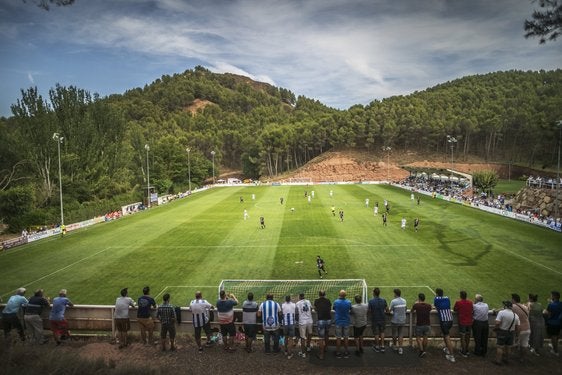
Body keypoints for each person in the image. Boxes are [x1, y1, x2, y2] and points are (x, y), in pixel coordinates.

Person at [493, 300, 520, 365]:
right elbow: (518, 327)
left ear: (505, 306)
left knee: (500, 346)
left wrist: (495, 329)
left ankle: (498, 361)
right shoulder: (515, 315)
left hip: (502, 331)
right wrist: (516, 335)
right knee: (508, 347)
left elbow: (497, 323)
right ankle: (506, 360)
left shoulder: (501, 312)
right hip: (511, 333)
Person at [434, 288, 455, 363]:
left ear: (436, 293)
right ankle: (447, 349)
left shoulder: (436, 298)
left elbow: (436, 307)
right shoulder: (447, 298)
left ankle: (452, 356)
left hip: (444, 321)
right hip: (450, 320)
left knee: (447, 337)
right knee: (445, 335)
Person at [453, 290, 473, 357]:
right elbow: (472, 310)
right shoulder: (470, 302)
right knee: (467, 336)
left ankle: (463, 351)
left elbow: (455, 309)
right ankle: (467, 350)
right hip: (469, 322)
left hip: (462, 322)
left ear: (461, 296)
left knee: (462, 336)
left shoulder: (458, 302)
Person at [411, 293, 432, 357]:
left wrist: (416, 303)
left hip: (419, 324)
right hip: (427, 324)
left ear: (419, 298)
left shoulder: (416, 305)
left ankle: (421, 350)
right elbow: (430, 309)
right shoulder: (428, 305)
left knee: (418, 337)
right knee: (425, 337)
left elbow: (411, 311)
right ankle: (424, 350)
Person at [368, 287, 388, 352]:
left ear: (374, 293)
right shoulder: (383, 300)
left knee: (376, 333)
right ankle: (382, 346)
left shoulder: (371, 301)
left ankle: (377, 346)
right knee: (382, 332)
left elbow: (369, 311)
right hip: (382, 319)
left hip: (375, 319)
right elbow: (387, 310)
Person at [333, 290, 352, 358]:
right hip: (346, 322)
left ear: (339, 295)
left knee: (338, 338)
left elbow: (334, 309)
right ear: (345, 295)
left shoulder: (336, 302)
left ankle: (338, 352)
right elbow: (350, 309)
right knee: (346, 338)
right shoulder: (349, 302)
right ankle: (346, 352)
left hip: (338, 322)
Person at [511, 293, 530, 360]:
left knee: (513, 342)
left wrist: (493, 311)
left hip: (519, 329)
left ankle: (511, 356)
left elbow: (504, 310)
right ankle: (522, 358)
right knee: (524, 345)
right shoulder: (524, 307)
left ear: (513, 300)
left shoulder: (513, 306)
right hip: (527, 328)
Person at [313, 290, 332, 359]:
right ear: (325, 294)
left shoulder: (316, 301)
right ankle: (326, 348)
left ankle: (321, 355)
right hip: (328, 320)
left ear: (319, 295)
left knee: (321, 338)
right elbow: (330, 309)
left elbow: (315, 309)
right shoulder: (328, 300)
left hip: (321, 321)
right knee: (327, 334)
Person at [295, 292, 313, 357]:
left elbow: (296, 313)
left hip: (302, 322)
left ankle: (303, 353)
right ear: (304, 296)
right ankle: (308, 347)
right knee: (310, 334)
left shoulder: (297, 303)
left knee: (302, 337)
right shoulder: (308, 301)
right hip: (309, 321)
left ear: (299, 297)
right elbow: (311, 309)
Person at [389, 288, 407, 355]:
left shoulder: (393, 301)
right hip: (402, 320)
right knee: (400, 334)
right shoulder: (404, 300)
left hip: (395, 320)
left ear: (395, 294)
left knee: (394, 334)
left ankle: (394, 346)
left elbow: (390, 310)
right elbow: (405, 309)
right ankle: (400, 348)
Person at [544, 290, 561, 357]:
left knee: (553, 336)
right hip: (559, 322)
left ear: (554, 296)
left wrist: (547, 307)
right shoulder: (561, 303)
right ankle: (553, 344)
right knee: (556, 335)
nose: (550, 296)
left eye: (551, 295)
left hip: (552, 323)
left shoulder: (551, 305)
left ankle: (555, 351)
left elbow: (547, 313)